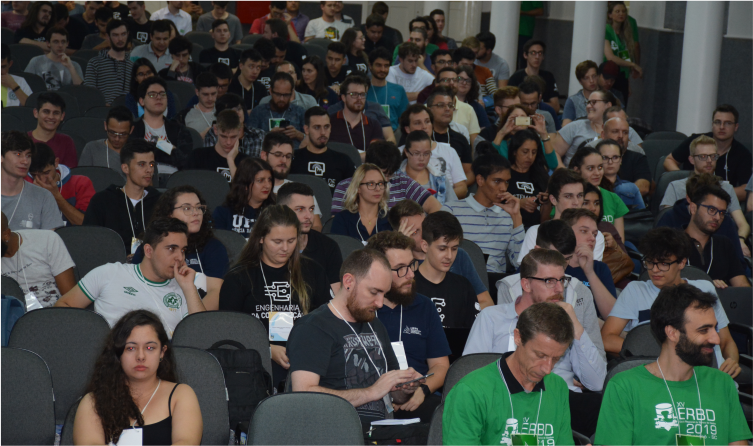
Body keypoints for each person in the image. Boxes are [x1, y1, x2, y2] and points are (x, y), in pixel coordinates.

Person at [466, 247, 605, 437]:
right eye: (549, 281)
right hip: (503, 400)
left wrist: (575, 325)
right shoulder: (492, 317)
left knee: (604, 406)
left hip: (558, 400)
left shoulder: (566, 323)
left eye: (562, 280)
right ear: (526, 284)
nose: (559, 289)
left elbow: (596, 383)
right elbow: (470, 373)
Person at [288, 247, 426, 431]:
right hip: (334, 433)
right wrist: (371, 392)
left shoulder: (375, 325)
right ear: (348, 282)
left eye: (384, 294)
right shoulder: (313, 328)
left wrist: (406, 388)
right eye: (374, 292)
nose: (380, 303)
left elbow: (395, 396)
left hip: (379, 432)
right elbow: (303, 394)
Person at [595, 284, 752, 446]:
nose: (716, 339)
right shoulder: (625, 387)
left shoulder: (722, 383)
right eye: (704, 330)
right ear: (672, 333)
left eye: (714, 328)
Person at [601, 227, 741, 378]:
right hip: (659, 374)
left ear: (682, 263)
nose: (655, 270)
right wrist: (657, 353)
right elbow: (607, 339)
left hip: (710, 373)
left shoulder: (705, 288)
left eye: (663, 263)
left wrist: (732, 361)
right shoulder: (635, 291)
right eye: (650, 262)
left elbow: (726, 341)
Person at [220, 205, 330, 384]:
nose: (285, 248)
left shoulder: (312, 271)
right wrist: (268, 349)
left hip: (305, 357)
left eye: (291, 241)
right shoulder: (239, 277)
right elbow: (229, 331)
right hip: (254, 363)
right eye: (277, 242)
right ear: (261, 238)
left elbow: (326, 320)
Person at [443, 302, 574, 445]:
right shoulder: (470, 392)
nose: (547, 369)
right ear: (518, 337)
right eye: (540, 355)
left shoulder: (558, 387)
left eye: (556, 359)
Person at [72, 310, 203, 445]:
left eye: (150, 348)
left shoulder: (180, 395)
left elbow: (186, 442)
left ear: (162, 353)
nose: (141, 356)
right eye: (131, 348)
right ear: (118, 353)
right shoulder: (93, 402)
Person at [57, 218, 207, 336]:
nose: (180, 257)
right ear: (148, 251)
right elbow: (62, 307)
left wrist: (189, 287)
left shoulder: (183, 287)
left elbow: (202, 335)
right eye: (171, 249)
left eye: (183, 250)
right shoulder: (109, 273)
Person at [365, 231, 449, 422]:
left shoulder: (424, 306)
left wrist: (423, 390)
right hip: (370, 398)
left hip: (416, 397)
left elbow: (441, 366)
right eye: (400, 268)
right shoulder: (361, 308)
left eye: (411, 265)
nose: (411, 274)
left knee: (446, 417)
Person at [130, 186, 228, 310]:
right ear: (169, 214)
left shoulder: (214, 247)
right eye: (187, 208)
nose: (196, 213)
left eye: (199, 207)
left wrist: (193, 319)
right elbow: (135, 286)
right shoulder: (151, 246)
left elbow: (215, 292)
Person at [389, 201, 492, 309]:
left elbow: (487, 302)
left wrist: (457, 312)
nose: (424, 234)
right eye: (415, 232)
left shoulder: (459, 256)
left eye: (425, 226)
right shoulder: (401, 267)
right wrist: (400, 246)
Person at [661, 136, 750, 249]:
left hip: (719, 245)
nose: (709, 161)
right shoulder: (675, 187)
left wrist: (740, 240)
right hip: (681, 244)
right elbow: (667, 223)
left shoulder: (727, 188)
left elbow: (743, 224)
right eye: (703, 156)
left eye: (713, 156)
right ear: (691, 160)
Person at [441, 153, 524, 274]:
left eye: (506, 182)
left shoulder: (508, 216)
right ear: (480, 180)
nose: (503, 188)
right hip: (459, 277)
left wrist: (516, 217)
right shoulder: (451, 210)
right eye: (497, 181)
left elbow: (519, 263)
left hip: (494, 280)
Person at [82, 140, 160, 255]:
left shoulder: (160, 201)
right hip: (113, 263)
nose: (149, 170)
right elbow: (90, 242)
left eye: (151, 164)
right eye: (142, 164)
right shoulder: (102, 201)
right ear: (125, 168)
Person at [665, 105, 752, 203]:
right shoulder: (697, 142)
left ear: (736, 127)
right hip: (689, 198)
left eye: (728, 123)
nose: (722, 127)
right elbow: (669, 161)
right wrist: (687, 182)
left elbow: (746, 189)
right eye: (717, 122)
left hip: (722, 202)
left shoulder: (742, 154)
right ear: (712, 124)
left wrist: (714, 193)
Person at [518, 168, 607, 262]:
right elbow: (527, 269)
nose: (576, 202)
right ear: (553, 199)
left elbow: (589, 269)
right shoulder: (535, 232)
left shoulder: (594, 236)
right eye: (568, 196)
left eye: (580, 196)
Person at [332, 141, 441, 215]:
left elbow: (435, 207)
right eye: (383, 174)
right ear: (369, 166)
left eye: (391, 174)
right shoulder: (345, 186)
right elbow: (335, 222)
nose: (387, 180)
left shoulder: (403, 181)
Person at [411, 210, 478, 328]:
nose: (449, 256)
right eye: (442, 249)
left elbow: (473, 333)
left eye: (454, 249)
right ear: (425, 246)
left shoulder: (463, 287)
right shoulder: (408, 286)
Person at [0, 209, 74, 306]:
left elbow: (70, 298)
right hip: (12, 313)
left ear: (6, 235)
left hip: (54, 311)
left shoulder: (47, 240)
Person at [682, 184, 750, 288]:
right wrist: (705, 285)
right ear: (693, 208)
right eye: (711, 210)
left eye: (722, 213)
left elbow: (741, 285)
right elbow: (662, 282)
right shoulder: (671, 242)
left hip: (720, 298)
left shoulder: (724, 244)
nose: (717, 217)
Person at [399, 104, 468, 200]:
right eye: (417, 123)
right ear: (407, 129)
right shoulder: (397, 154)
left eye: (427, 122)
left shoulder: (450, 151)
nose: (424, 127)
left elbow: (462, 188)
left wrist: (438, 197)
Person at [277, 182, 339, 286]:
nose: (309, 216)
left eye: (311, 209)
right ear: (282, 211)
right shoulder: (268, 247)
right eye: (300, 209)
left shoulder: (328, 247)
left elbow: (336, 292)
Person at [558, 210, 618, 313]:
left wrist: (589, 272)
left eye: (594, 234)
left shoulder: (600, 268)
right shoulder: (551, 264)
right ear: (566, 233)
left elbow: (612, 315)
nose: (592, 238)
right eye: (584, 231)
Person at [129, 77, 191, 172]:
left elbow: (184, 160)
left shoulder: (179, 129)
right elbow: (133, 158)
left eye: (162, 94)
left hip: (173, 178)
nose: (159, 98)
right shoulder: (133, 128)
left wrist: (155, 143)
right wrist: (170, 149)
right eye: (152, 95)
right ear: (141, 101)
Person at [288, 107, 354, 193]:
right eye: (317, 127)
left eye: (326, 127)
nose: (323, 132)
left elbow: (352, 195)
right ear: (306, 130)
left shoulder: (344, 161)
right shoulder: (292, 159)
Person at [569, 146, 628, 240]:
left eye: (600, 167)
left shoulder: (613, 198)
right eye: (590, 168)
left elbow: (620, 241)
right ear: (577, 170)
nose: (597, 173)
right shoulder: (568, 198)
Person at [552, 89, 624, 166]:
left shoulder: (622, 130)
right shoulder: (575, 126)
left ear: (608, 105)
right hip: (572, 171)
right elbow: (553, 152)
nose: (588, 106)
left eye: (594, 102)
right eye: (588, 103)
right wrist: (561, 169)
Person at [28, 142, 94, 226]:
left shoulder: (80, 183)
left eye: (46, 173)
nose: (42, 180)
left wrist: (56, 196)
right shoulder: (25, 183)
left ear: (56, 163)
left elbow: (87, 225)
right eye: (34, 175)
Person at [482, 103, 562, 170]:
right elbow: (489, 162)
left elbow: (553, 164)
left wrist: (544, 134)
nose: (519, 120)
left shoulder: (535, 143)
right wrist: (502, 132)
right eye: (515, 117)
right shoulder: (501, 143)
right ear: (508, 120)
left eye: (523, 117)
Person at [588, 110, 650, 196]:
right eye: (615, 131)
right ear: (603, 135)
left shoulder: (638, 157)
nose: (620, 136)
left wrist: (615, 198)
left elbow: (644, 187)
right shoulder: (590, 155)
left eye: (625, 132)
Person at [330, 163, 392, 244]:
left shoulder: (391, 220)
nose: (377, 189)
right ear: (358, 188)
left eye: (380, 183)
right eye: (371, 184)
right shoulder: (342, 219)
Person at [212, 158, 274, 238]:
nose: (267, 185)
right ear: (245, 184)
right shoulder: (223, 213)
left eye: (269, 180)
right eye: (260, 180)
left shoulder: (275, 213)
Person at [503, 129, 550, 229]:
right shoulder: (503, 174)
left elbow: (544, 222)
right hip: (506, 228)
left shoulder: (542, 176)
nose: (530, 157)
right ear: (514, 151)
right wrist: (519, 203)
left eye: (534, 152)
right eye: (525, 152)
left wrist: (546, 203)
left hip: (534, 230)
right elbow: (493, 205)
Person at [327, 74, 384, 154]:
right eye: (354, 94)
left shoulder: (374, 124)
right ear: (343, 98)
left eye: (362, 94)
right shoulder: (329, 122)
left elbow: (375, 154)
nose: (359, 98)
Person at [247, 72, 305, 149]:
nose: (281, 99)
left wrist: (299, 135)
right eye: (278, 94)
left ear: (292, 93)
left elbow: (312, 139)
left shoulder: (300, 112)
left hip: (294, 154)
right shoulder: (258, 112)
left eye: (286, 95)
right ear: (270, 91)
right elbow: (249, 140)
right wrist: (269, 135)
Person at [424, 87, 472, 179]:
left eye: (450, 105)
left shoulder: (460, 139)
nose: (447, 109)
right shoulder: (420, 137)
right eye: (441, 105)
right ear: (429, 110)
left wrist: (456, 186)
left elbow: (469, 172)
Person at [186, 109, 245, 182]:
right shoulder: (198, 157)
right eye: (223, 136)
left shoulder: (246, 163)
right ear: (215, 130)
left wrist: (230, 160)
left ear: (240, 131)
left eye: (233, 137)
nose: (228, 142)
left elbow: (243, 188)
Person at [401, 130, 457, 205]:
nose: (421, 158)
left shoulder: (440, 179)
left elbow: (453, 206)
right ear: (406, 152)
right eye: (416, 153)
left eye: (426, 154)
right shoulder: (394, 178)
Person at [84, 19, 133, 105]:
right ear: (108, 37)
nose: (120, 39)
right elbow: (90, 93)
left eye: (123, 34)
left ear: (127, 35)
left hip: (129, 110)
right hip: (103, 110)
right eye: (115, 35)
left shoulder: (134, 63)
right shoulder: (95, 63)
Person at [604, 0, 642, 107]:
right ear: (610, 15)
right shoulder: (607, 30)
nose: (621, 14)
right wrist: (633, 65)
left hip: (622, 76)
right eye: (617, 11)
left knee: (621, 108)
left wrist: (628, 83)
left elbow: (625, 56)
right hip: (609, 75)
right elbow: (610, 57)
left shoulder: (625, 32)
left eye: (623, 11)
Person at [205, 93, 266, 157]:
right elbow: (211, 159)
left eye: (238, 109)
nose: (236, 113)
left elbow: (257, 161)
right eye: (230, 110)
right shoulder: (213, 134)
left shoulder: (258, 135)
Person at [27, 91, 77, 168]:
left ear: (62, 116)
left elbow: (69, 172)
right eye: (46, 112)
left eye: (56, 113)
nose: (51, 117)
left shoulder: (67, 142)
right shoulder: (23, 140)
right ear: (36, 113)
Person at [80, 106, 133, 177]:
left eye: (123, 134)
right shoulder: (92, 149)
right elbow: (82, 178)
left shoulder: (138, 152)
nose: (117, 139)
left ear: (131, 130)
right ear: (105, 126)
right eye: (112, 133)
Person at [508, 40, 559, 114]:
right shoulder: (516, 78)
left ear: (543, 56)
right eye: (533, 53)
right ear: (525, 55)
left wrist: (535, 103)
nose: (537, 57)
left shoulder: (548, 77)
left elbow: (556, 107)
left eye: (540, 53)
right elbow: (510, 104)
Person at [596, 138, 645, 211]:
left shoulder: (630, 188)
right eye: (605, 158)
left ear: (621, 160)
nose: (610, 162)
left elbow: (642, 215)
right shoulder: (590, 187)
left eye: (615, 157)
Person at [453, 65, 489, 134]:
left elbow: (486, 130)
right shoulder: (445, 102)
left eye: (468, 80)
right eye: (460, 78)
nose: (464, 83)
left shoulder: (477, 107)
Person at [562, 60, 598, 126]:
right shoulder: (573, 101)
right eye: (586, 78)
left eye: (594, 76)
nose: (591, 81)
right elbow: (566, 126)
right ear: (580, 81)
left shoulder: (608, 97)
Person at [182, 72, 218, 139]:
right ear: (197, 92)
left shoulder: (224, 111)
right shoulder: (184, 115)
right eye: (205, 94)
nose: (210, 98)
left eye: (213, 94)